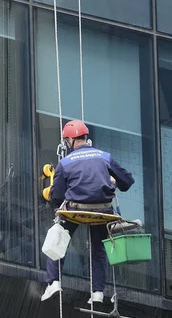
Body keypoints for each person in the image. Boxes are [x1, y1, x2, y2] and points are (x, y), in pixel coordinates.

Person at [41, 119, 134, 305]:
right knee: (98, 249)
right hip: (103, 211)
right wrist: (113, 182)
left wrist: (53, 202)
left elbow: (57, 196)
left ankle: (54, 282)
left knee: (57, 238)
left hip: (76, 209)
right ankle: (98, 293)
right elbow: (127, 182)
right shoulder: (104, 156)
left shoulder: (66, 162)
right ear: (85, 138)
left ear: (70, 140)